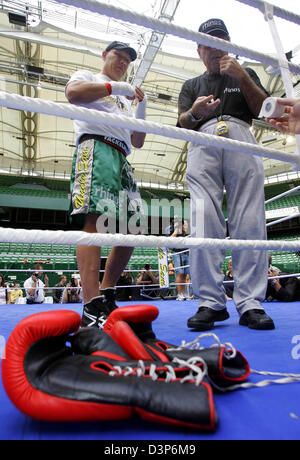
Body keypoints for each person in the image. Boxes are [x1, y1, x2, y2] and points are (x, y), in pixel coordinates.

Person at [177, 18, 274, 330]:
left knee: (249, 218)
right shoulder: (191, 85)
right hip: (202, 140)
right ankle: (210, 301)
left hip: (241, 134)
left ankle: (250, 302)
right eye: (209, 42)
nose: (215, 47)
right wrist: (196, 112)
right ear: (199, 49)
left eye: (221, 41)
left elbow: (263, 109)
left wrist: (241, 74)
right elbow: (182, 124)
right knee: (203, 217)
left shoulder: (246, 73)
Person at [65, 41, 147, 329]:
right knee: (95, 220)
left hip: (122, 157)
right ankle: (90, 304)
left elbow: (137, 141)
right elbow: (73, 94)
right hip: (96, 147)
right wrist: (115, 88)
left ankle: (107, 290)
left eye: (128, 60)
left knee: (133, 228)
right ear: (104, 55)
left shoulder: (126, 98)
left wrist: (141, 106)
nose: (123, 62)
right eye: (119, 56)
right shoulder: (89, 76)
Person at [168, 219, 190, 301]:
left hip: (186, 253)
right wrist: (177, 230)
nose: (186, 226)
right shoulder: (173, 230)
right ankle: (180, 294)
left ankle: (183, 294)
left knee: (184, 274)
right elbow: (170, 240)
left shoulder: (186, 234)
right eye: (185, 224)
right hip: (178, 253)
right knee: (180, 273)